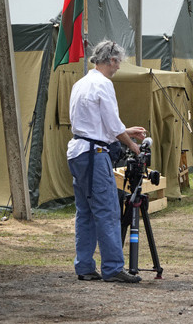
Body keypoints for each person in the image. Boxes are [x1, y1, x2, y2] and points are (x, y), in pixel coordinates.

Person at [67, 40, 147, 283]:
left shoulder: (81, 83)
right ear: (111, 60)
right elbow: (112, 126)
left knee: (85, 212)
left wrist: (125, 130)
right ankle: (112, 267)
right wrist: (133, 145)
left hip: (78, 151)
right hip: (95, 154)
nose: (119, 67)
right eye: (118, 62)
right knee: (107, 210)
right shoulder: (104, 84)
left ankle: (84, 265)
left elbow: (96, 123)